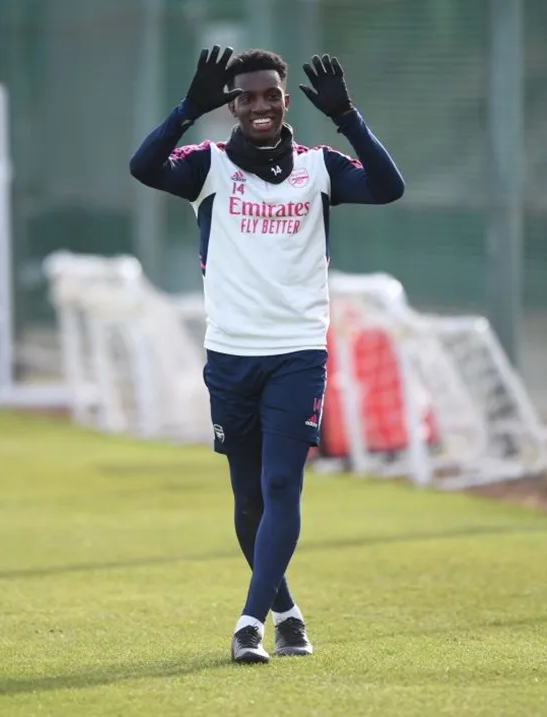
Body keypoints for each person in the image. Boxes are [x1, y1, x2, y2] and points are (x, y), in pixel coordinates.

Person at [129, 45, 405, 664]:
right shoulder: (208, 166)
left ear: (287, 102)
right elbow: (144, 167)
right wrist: (185, 110)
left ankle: (249, 623)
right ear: (231, 105)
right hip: (230, 354)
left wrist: (350, 118)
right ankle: (288, 613)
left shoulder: (320, 168)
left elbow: (389, 187)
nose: (259, 106)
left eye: (270, 95)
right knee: (249, 499)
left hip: (298, 352)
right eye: (246, 96)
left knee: (282, 483)